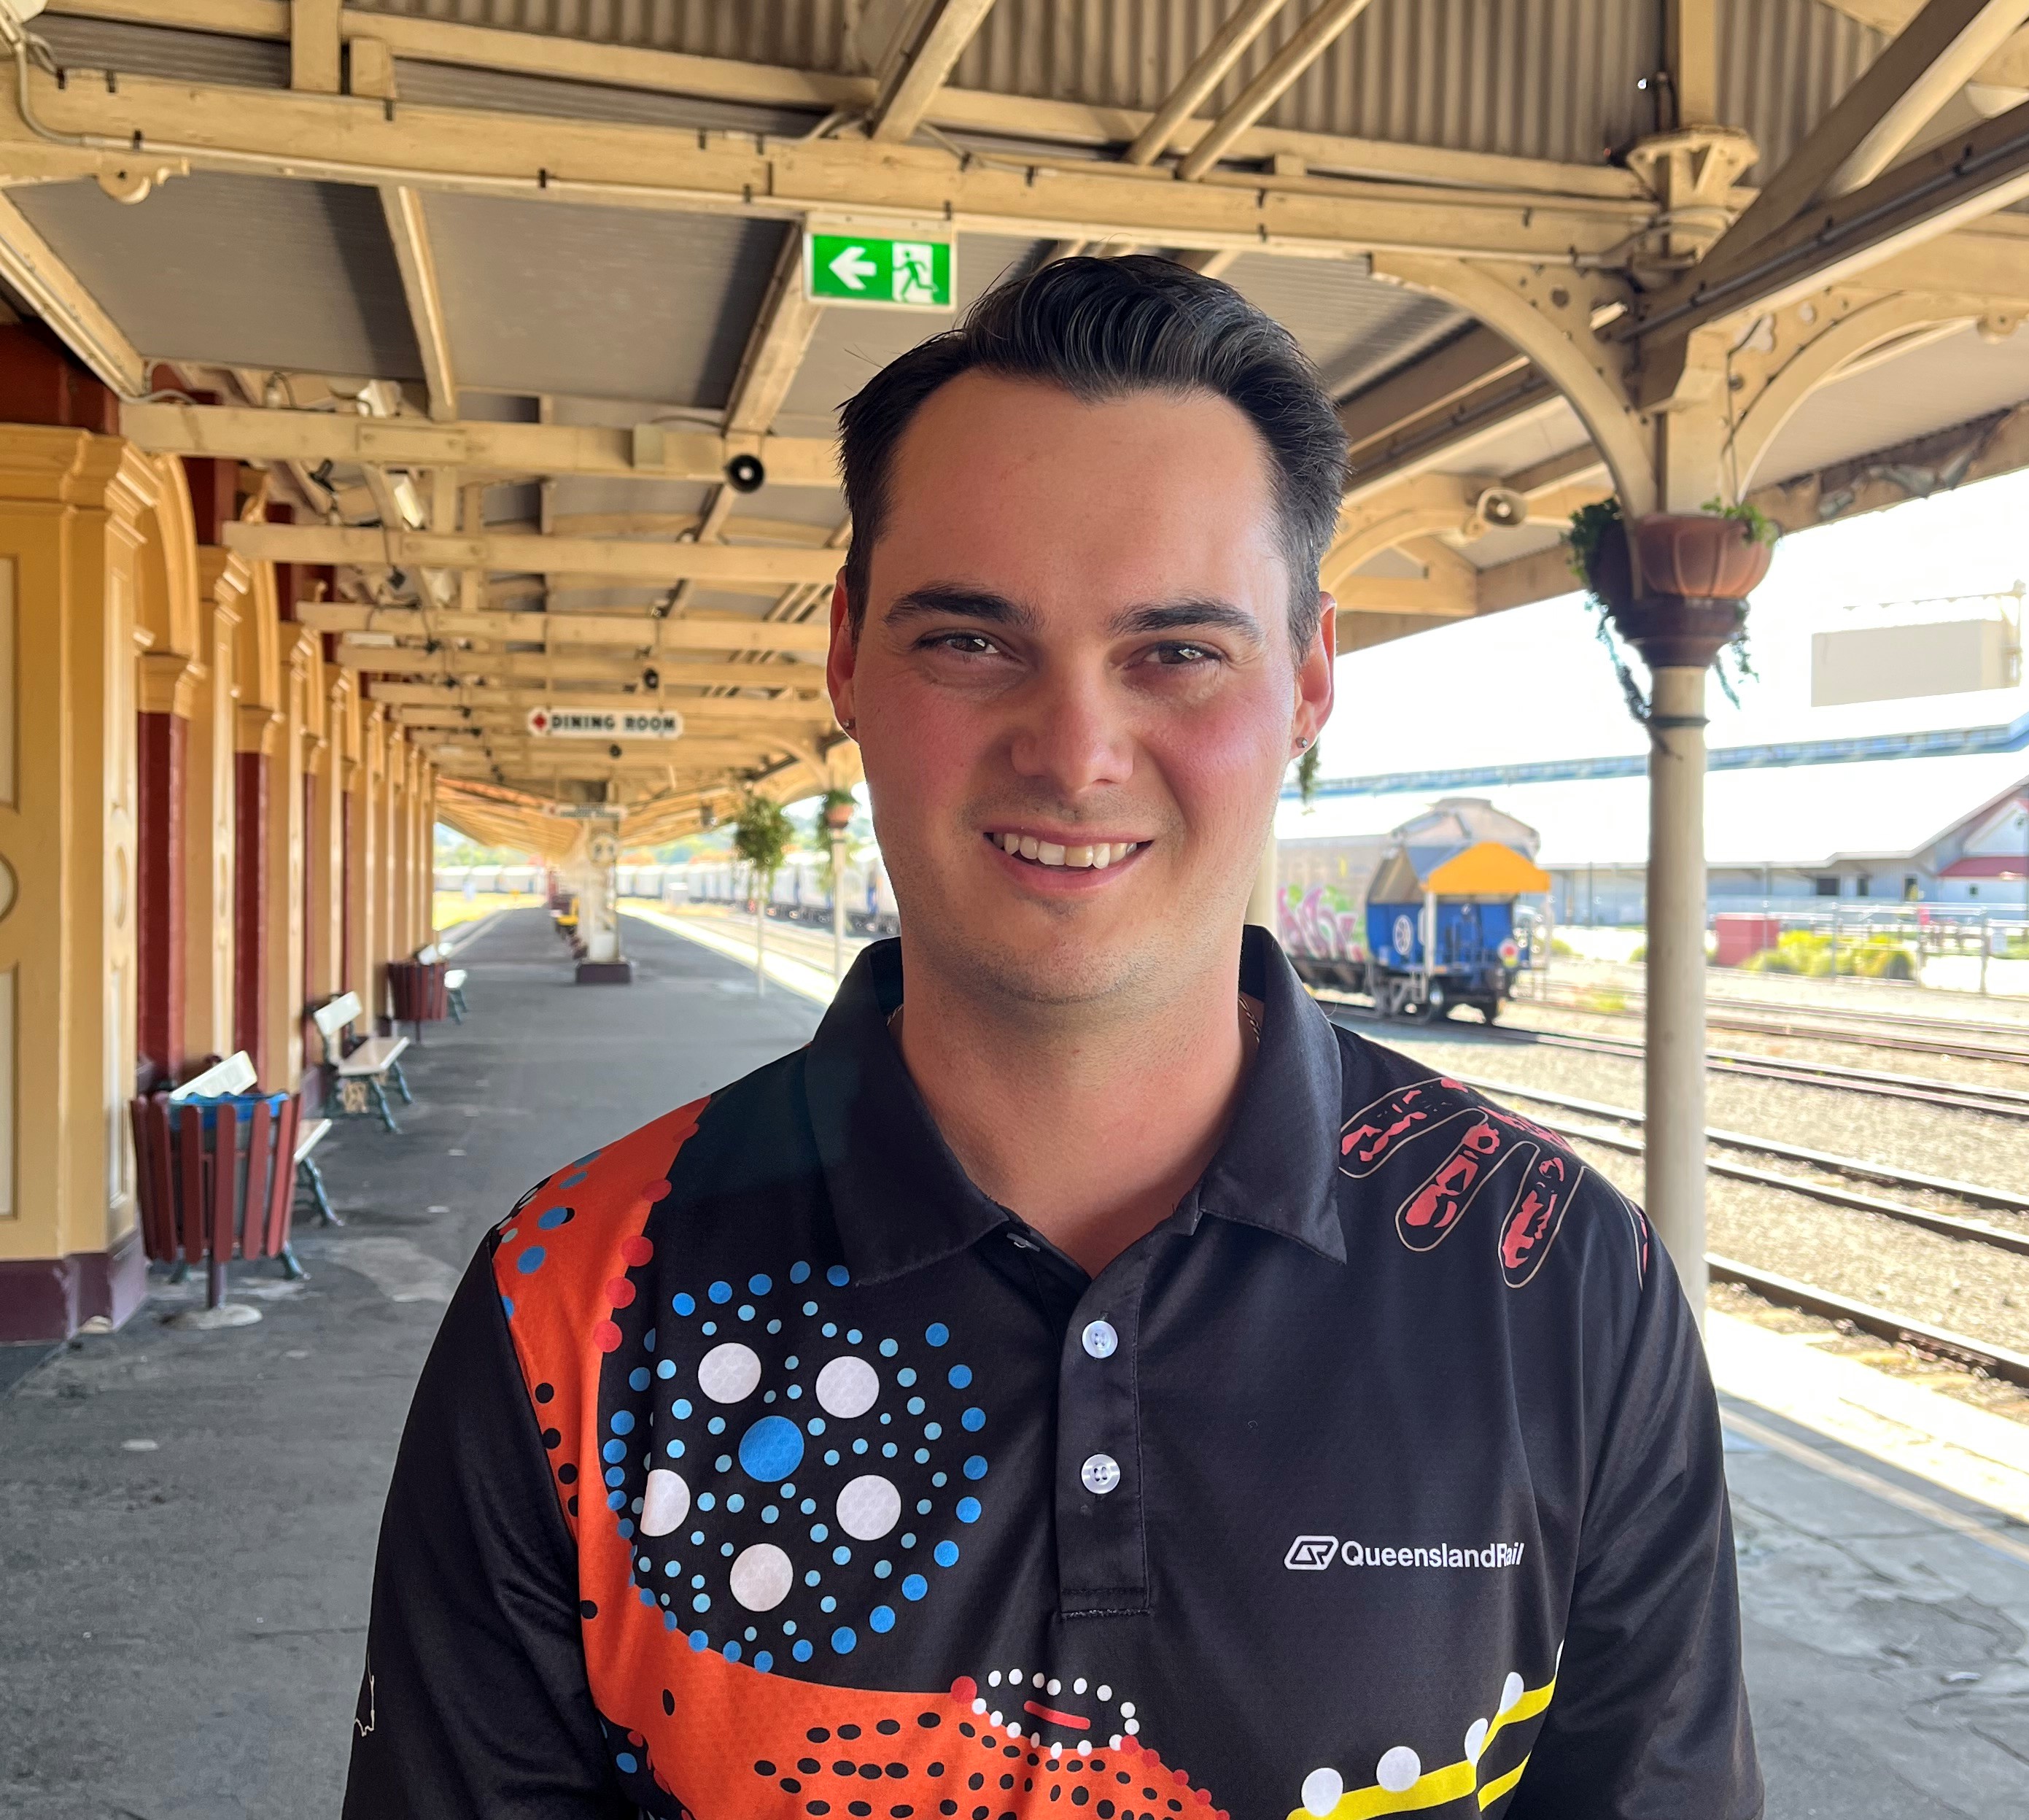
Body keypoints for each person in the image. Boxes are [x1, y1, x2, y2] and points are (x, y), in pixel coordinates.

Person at [345, 255, 1760, 1820]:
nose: (1076, 752)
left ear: (1308, 683)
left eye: (1177, 652)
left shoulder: (1562, 1283)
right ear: (846, 662)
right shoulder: (572, 1310)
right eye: (970, 641)